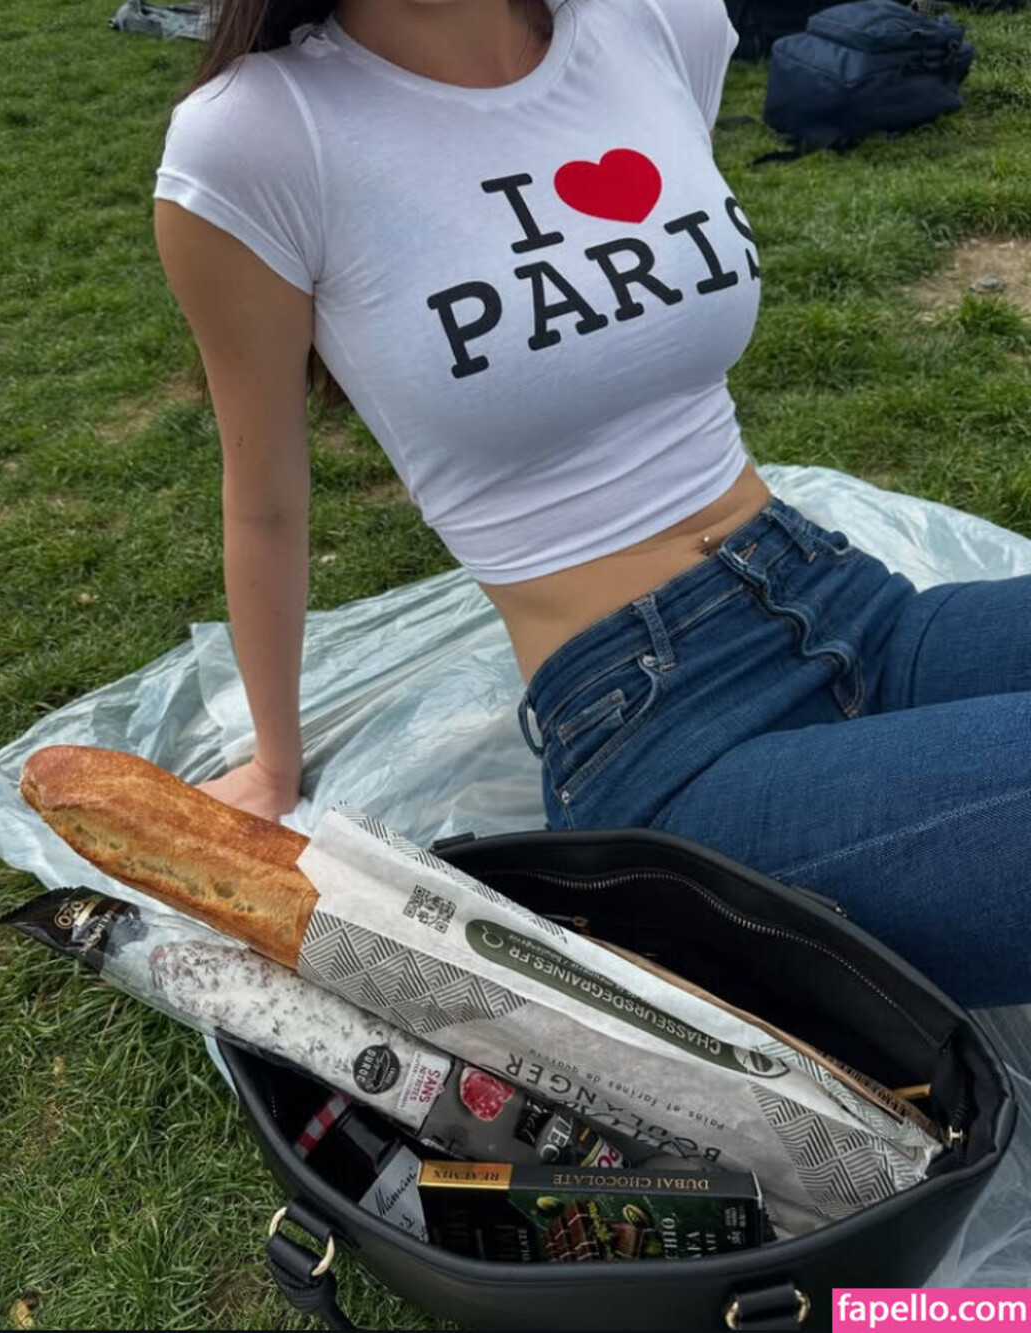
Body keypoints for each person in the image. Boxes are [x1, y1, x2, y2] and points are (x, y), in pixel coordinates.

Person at [153, 0, 1031, 1010]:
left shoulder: (659, 22)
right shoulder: (259, 135)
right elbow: (264, 497)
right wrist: (274, 764)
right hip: (658, 725)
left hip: (845, 597)